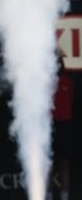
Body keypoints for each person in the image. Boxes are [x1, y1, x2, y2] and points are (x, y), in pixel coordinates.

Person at [47, 54, 74, 200]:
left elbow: (69, 101)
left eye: (59, 61)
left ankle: (64, 196)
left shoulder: (68, 82)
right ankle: (49, 195)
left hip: (64, 125)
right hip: (49, 125)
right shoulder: (44, 81)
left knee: (64, 162)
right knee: (48, 164)